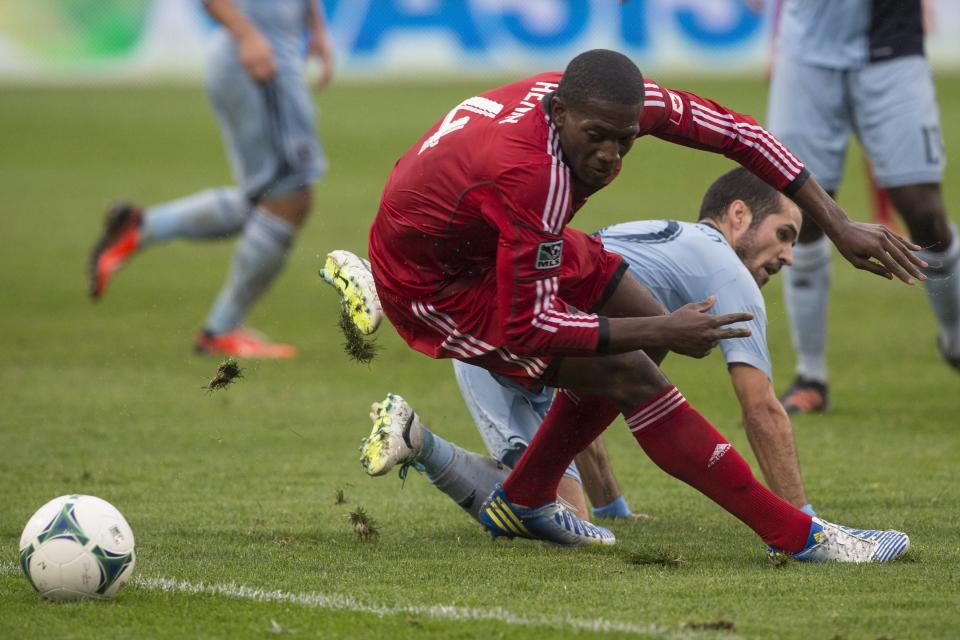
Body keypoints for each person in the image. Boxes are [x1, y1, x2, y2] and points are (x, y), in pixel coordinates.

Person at [354, 49, 919, 561]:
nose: (609, 156)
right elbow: (532, 324)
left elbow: (738, 133)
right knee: (636, 372)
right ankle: (799, 537)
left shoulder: (618, 104)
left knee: (641, 341)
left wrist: (837, 222)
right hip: (434, 286)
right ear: (557, 113)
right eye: (596, 137)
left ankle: (524, 498)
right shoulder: (533, 177)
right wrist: (666, 326)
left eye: (623, 139)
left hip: (480, 236)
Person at [333, 168, 817, 527]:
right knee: (544, 517)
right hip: (519, 344)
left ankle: (388, 293)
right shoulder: (726, 270)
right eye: (784, 235)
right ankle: (421, 441)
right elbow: (762, 410)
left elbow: (592, 392)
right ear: (738, 216)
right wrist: (806, 520)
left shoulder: (660, 245)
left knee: (569, 516)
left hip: (509, 340)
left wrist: (614, 509)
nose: (789, 256)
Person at [87, 0, 334, 358]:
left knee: (267, 198)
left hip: (271, 57)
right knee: (288, 198)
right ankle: (221, 329)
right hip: (257, 61)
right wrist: (247, 34)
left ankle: (141, 227)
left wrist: (317, 28)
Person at [767, 0, 958, 413]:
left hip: (891, 51)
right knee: (802, 211)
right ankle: (811, 376)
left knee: (923, 209)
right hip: (807, 51)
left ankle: (956, 336)